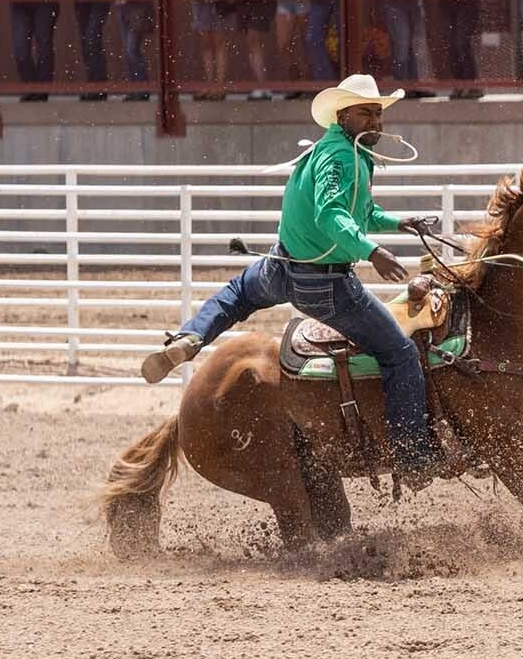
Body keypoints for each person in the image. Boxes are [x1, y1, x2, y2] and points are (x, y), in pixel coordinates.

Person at [139, 75, 447, 488]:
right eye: (366, 113)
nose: (376, 121)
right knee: (401, 353)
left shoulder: (334, 151)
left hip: (280, 265)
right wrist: (371, 251)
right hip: (322, 283)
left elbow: (359, 213)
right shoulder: (341, 158)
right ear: (344, 116)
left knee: (235, 295)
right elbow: (331, 215)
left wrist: (399, 222)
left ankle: (190, 338)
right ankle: (412, 456)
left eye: (378, 113)